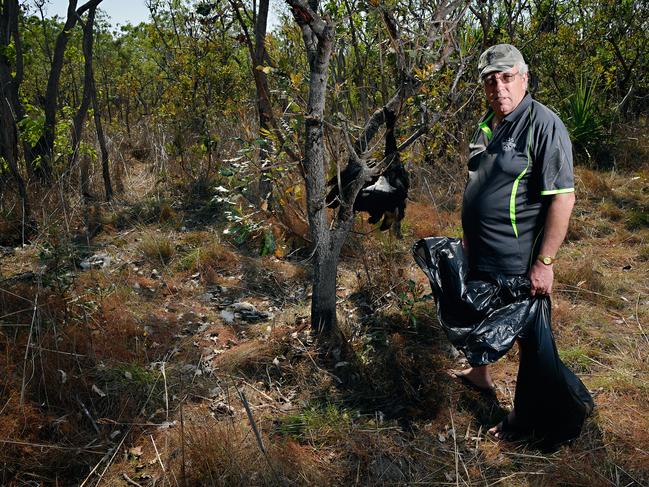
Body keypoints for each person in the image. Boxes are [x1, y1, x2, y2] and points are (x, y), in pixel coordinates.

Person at [453, 44, 577, 438]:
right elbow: (478, 183)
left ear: (524, 77)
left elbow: (562, 197)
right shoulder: (488, 122)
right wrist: (468, 236)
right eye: (490, 80)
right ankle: (479, 375)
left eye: (507, 77)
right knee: (478, 315)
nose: (499, 87)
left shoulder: (543, 124)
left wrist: (545, 263)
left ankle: (527, 422)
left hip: (517, 259)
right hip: (482, 251)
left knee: (531, 343)